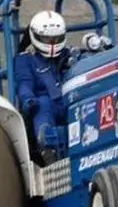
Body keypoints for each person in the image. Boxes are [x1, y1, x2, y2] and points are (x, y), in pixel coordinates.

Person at [14, 10, 76, 163]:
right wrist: (27, 99)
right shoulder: (25, 60)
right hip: (42, 104)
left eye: (56, 38)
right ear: (36, 36)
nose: (52, 43)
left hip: (69, 100)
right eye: (47, 39)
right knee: (42, 104)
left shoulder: (70, 55)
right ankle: (47, 144)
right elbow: (24, 83)